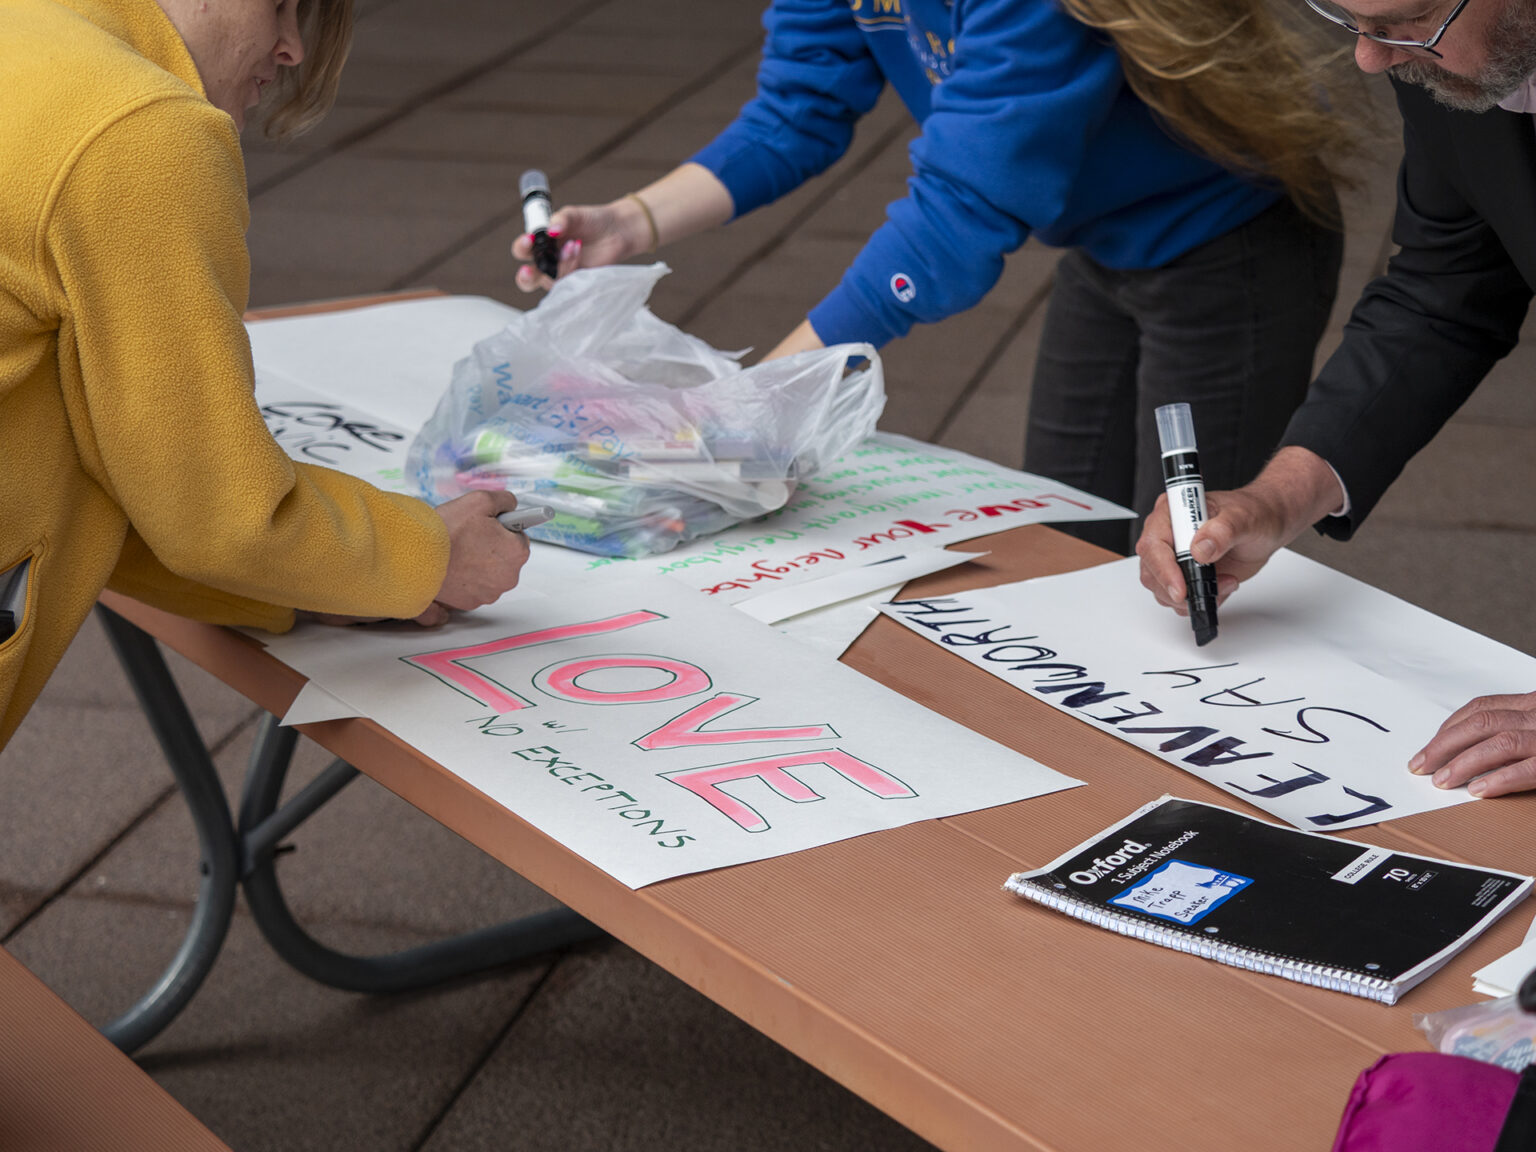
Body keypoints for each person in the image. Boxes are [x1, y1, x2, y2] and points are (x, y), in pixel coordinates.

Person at [513, 0, 1358, 554]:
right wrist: (630, 221)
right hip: (1105, 247)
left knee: (1190, 557)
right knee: (1063, 534)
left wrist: (758, 395)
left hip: (1228, 250)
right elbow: (797, 107)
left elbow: (962, 207)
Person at [0, 0, 531, 751]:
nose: (292, 49)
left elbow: (112, 476)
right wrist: (429, 557)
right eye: (278, 5)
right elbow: (214, 513)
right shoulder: (140, 130)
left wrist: (316, 587)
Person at [1137, 0, 1536, 796]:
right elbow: (1447, 285)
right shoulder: (1436, 52)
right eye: (1345, 17)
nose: (1369, 57)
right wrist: (1277, 497)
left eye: (1406, 19)